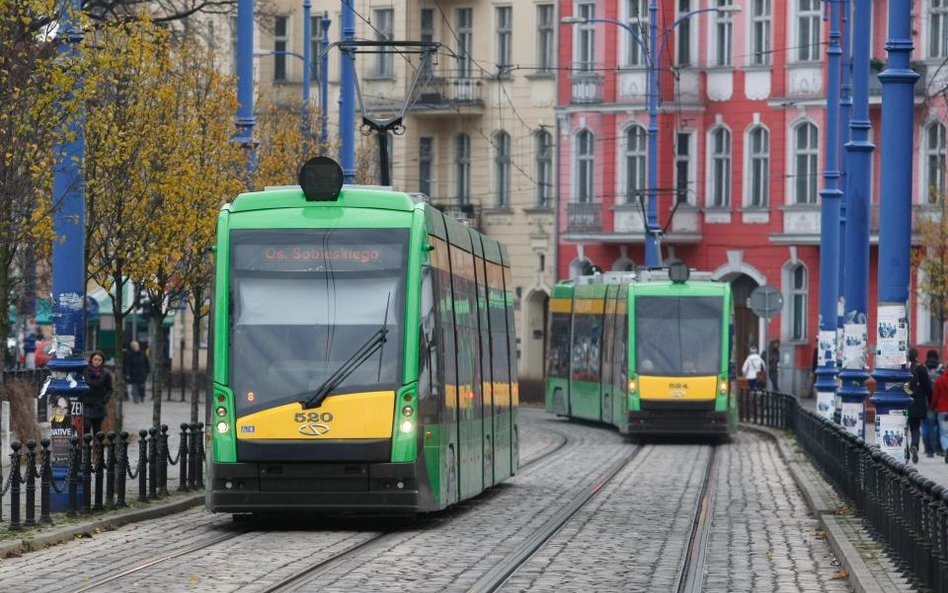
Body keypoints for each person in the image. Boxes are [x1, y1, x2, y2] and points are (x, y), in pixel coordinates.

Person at [907, 347, 933, 463]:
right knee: (915, 428)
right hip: (918, 403)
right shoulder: (921, 368)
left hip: (904, 402)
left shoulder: (904, 368)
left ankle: (905, 449)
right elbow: (928, 387)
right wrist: (930, 401)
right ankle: (914, 446)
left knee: (902, 428)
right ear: (916, 355)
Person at [82, 350, 112, 435]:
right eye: (95, 359)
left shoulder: (105, 374)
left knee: (97, 430)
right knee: (86, 426)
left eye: (99, 360)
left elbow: (109, 389)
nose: (97, 362)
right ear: (91, 360)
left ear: (102, 361)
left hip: (98, 405)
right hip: (87, 403)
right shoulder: (85, 371)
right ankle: (87, 447)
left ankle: (97, 447)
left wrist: (104, 400)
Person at [923, 349, 943, 457]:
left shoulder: (923, 368)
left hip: (926, 403)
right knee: (940, 427)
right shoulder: (941, 369)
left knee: (926, 427)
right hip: (940, 404)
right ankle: (939, 448)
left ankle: (929, 450)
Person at [931, 366, 948, 463]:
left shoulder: (940, 380)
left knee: (944, 433)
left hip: (942, 409)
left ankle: (946, 448)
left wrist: (932, 407)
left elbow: (935, 395)